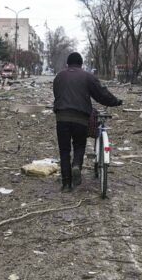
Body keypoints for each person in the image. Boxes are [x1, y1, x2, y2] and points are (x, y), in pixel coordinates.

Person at [52, 52, 122, 192]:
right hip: (81, 118)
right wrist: (116, 102)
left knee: (64, 150)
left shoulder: (59, 77)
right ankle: (77, 165)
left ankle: (66, 184)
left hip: (62, 117)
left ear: (68, 63)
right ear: (81, 64)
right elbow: (101, 94)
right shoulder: (87, 77)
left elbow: (57, 94)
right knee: (79, 144)